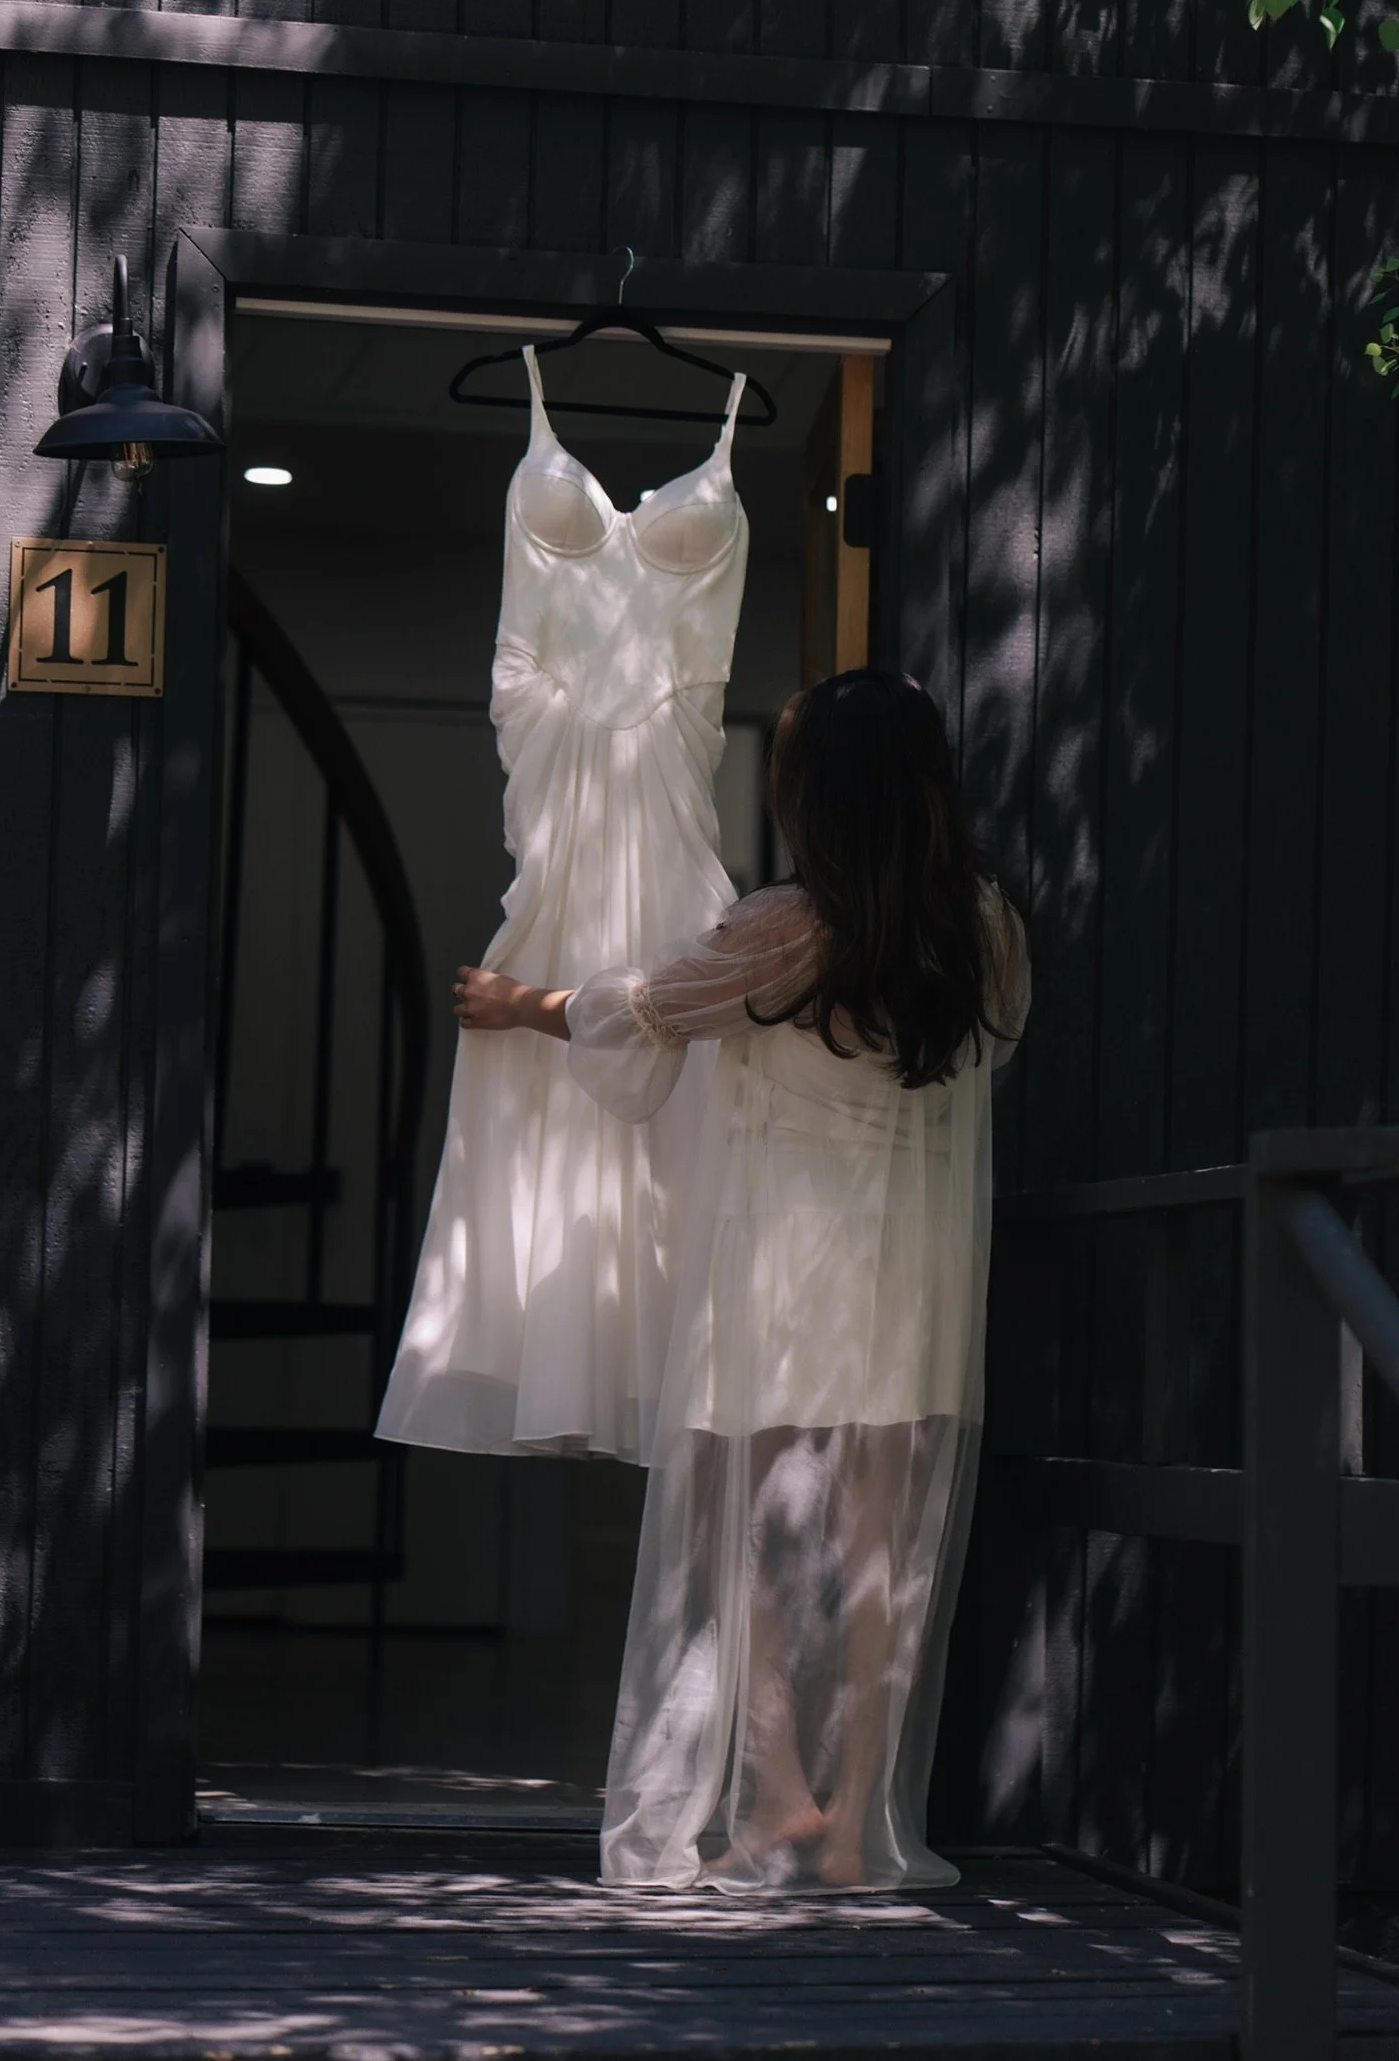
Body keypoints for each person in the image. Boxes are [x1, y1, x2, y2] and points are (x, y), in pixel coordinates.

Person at [453, 670, 1029, 1893]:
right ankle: (859, 1816)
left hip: (785, 1261)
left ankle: (775, 1794)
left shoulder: (791, 924)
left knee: (743, 1524)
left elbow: (646, 1013)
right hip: (917, 1267)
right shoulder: (985, 925)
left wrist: (521, 1004)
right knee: (884, 1539)